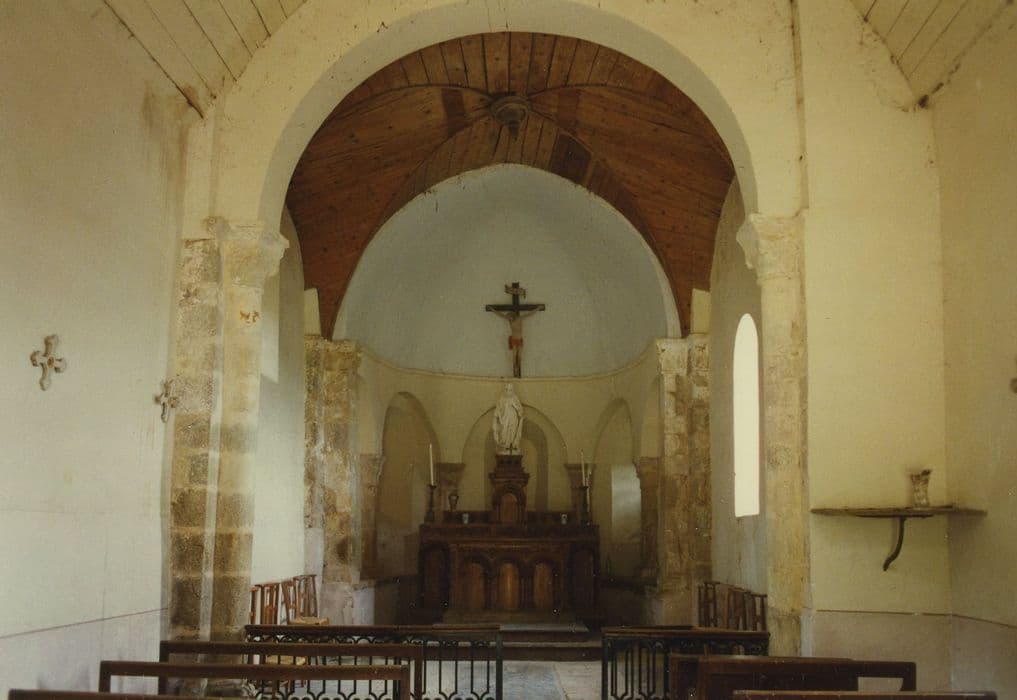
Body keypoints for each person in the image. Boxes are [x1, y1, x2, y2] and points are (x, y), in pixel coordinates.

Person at [492, 383, 523, 454]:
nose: (509, 391)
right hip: (504, 419)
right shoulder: (502, 399)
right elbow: (498, 409)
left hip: (513, 417)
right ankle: (504, 447)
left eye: (510, 389)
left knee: (513, 431)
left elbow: (520, 410)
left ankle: (512, 447)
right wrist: (498, 416)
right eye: (507, 389)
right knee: (504, 432)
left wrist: (514, 406)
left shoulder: (515, 398)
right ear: (505, 390)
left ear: (512, 390)